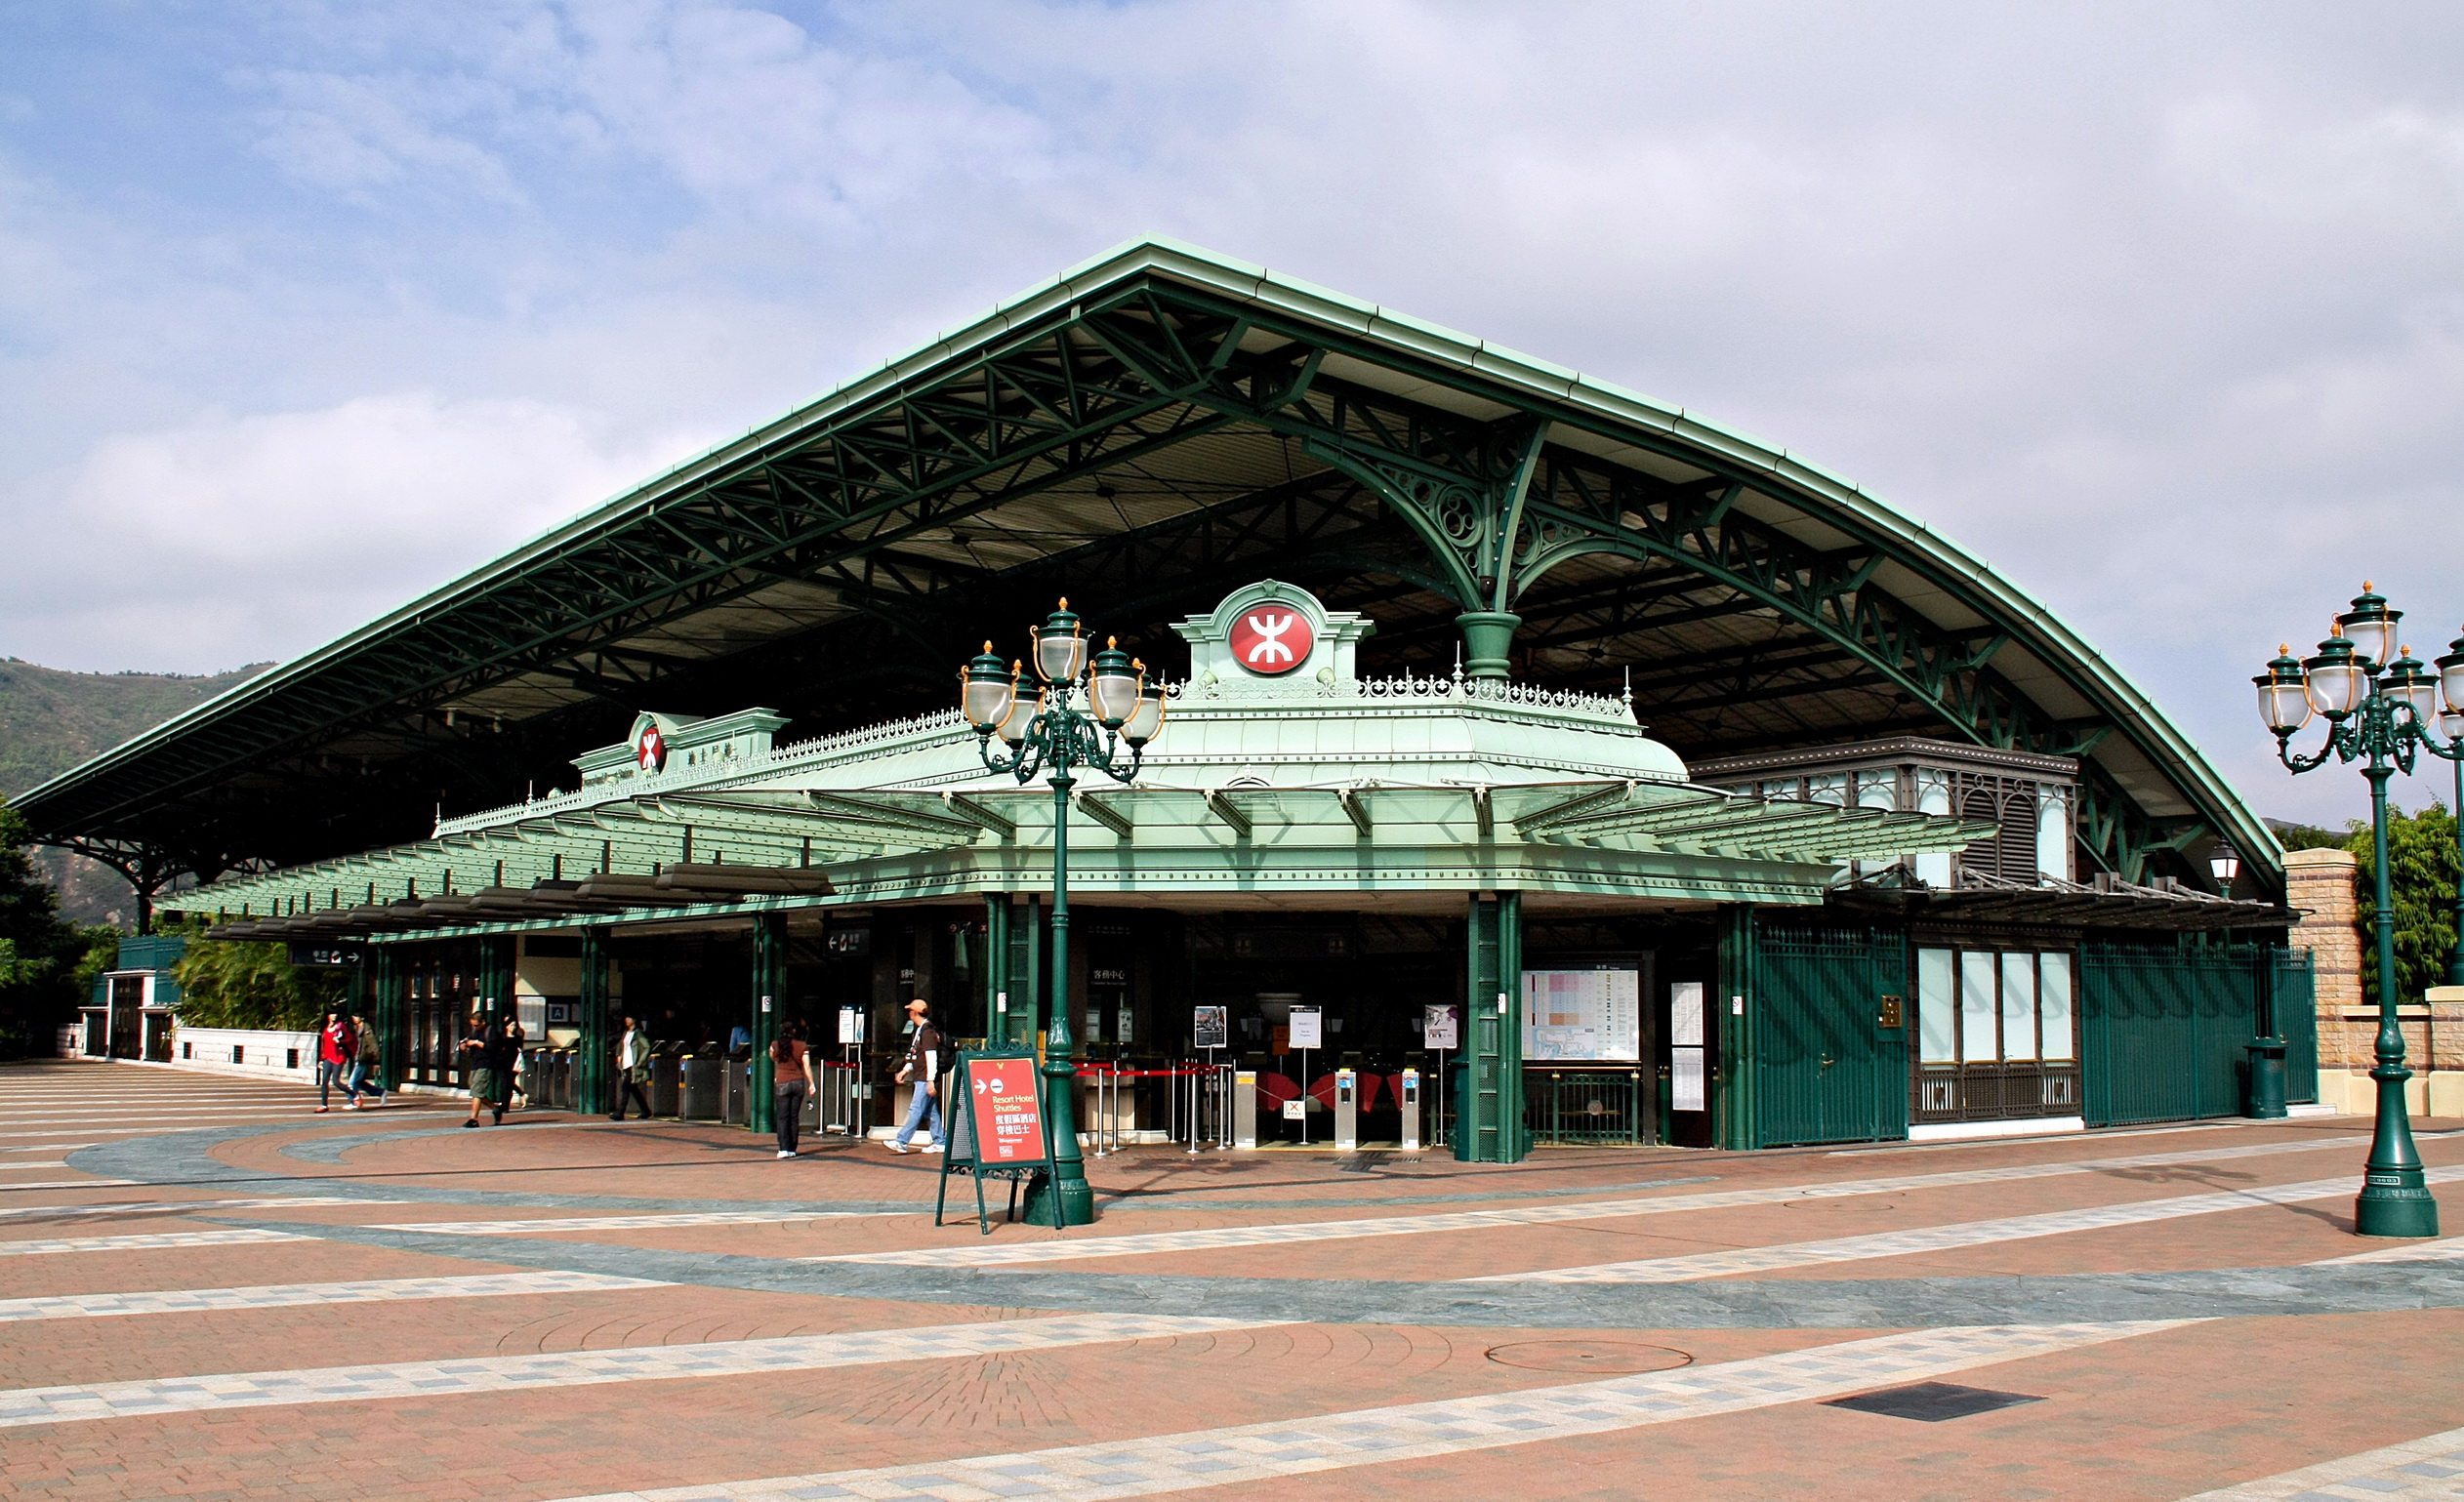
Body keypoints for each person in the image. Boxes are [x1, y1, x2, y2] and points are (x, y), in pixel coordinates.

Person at [888, 995, 945, 1155]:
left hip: (924, 1077)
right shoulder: (920, 1031)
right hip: (921, 1075)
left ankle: (902, 1141)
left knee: (916, 1109)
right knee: (930, 1111)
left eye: (910, 1010)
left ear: (914, 1013)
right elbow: (916, 1055)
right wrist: (905, 1070)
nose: (909, 1014)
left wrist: (930, 1081)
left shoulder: (927, 1032)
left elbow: (931, 1057)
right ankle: (940, 1140)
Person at [770, 1021, 819, 1157]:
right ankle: (792, 1148)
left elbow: (773, 1057)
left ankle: (783, 1148)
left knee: (782, 1117)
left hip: (782, 1082)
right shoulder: (802, 1046)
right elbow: (807, 1066)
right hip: (798, 1083)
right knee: (793, 1117)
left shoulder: (775, 1045)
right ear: (794, 1031)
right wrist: (811, 1084)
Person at [460, 1009, 506, 1127]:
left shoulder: (491, 1031)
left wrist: (476, 1043)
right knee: (475, 1089)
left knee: (477, 1091)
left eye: (476, 1025)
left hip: (486, 1063)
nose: (475, 1027)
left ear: (483, 1022)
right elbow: (468, 1040)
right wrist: (465, 1045)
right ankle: (496, 1108)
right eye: (473, 1025)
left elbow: (492, 1047)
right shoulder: (476, 1031)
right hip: (475, 1063)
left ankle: (474, 1119)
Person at [314, 1009, 357, 1113]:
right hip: (327, 1057)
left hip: (338, 1057)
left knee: (336, 1081)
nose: (334, 1016)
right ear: (327, 1016)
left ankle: (354, 1095)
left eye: (335, 1014)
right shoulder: (325, 1028)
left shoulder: (340, 1026)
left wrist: (340, 1041)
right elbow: (323, 1045)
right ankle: (324, 1105)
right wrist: (321, 1059)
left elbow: (351, 1039)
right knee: (324, 1081)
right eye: (331, 1014)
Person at [611, 1015, 653, 1121]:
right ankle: (645, 1110)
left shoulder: (638, 1033)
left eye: (629, 1018)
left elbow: (647, 1047)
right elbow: (621, 1047)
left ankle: (620, 1112)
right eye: (626, 1018)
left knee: (625, 1088)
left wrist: (640, 1062)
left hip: (632, 1065)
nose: (627, 1020)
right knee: (633, 1089)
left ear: (634, 1020)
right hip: (625, 1064)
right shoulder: (626, 1033)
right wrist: (619, 1059)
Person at [348, 1014, 385, 1107]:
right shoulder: (354, 1028)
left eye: (356, 1016)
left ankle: (353, 1102)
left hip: (363, 1059)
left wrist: (377, 1061)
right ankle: (380, 1092)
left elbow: (373, 1045)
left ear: (362, 1018)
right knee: (359, 1082)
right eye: (353, 1016)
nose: (354, 1018)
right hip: (356, 1058)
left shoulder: (367, 1029)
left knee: (352, 1082)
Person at [500, 1010, 527, 1115]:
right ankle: (505, 1103)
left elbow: (520, 1050)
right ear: (507, 1026)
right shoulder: (502, 1037)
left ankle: (506, 1105)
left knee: (509, 1083)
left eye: (514, 1025)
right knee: (505, 1084)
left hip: (514, 1063)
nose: (513, 1027)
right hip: (504, 1062)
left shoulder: (518, 1038)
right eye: (511, 1025)